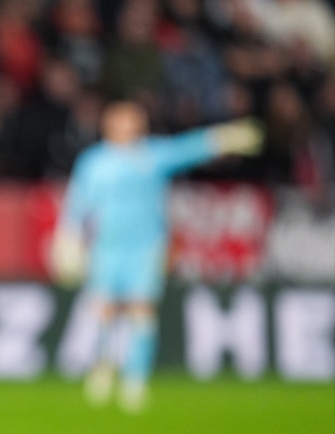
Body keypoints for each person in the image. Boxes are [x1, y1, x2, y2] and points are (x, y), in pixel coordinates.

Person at [50, 100, 262, 412]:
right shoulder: (94, 162)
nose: (131, 126)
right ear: (109, 124)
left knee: (141, 310)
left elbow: (189, 148)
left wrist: (225, 138)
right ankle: (103, 366)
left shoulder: (152, 155)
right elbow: (77, 203)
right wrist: (68, 236)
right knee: (104, 310)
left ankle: (136, 378)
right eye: (124, 120)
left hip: (146, 247)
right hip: (106, 248)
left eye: (135, 120)